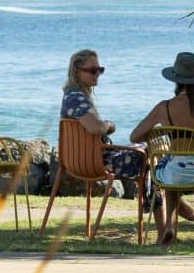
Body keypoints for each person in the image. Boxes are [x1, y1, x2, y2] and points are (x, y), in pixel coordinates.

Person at [132, 52, 194, 246]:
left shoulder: (165, 107)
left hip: (178, 172)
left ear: (176, 79)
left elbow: (135, 136)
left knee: (171, 171)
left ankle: (169, 227)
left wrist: (162, 132)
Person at [59, 48, 148, 191]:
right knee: (147, 152)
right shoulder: (76, 98)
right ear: (76, 71)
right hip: (95, 163)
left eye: (100, 70)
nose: (97, 75)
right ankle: (162, 208)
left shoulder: (70, 96)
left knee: (146, 153)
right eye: (93, 70)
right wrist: (109, 125)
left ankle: (162, 206)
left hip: (80, 160)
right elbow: (95, 128)